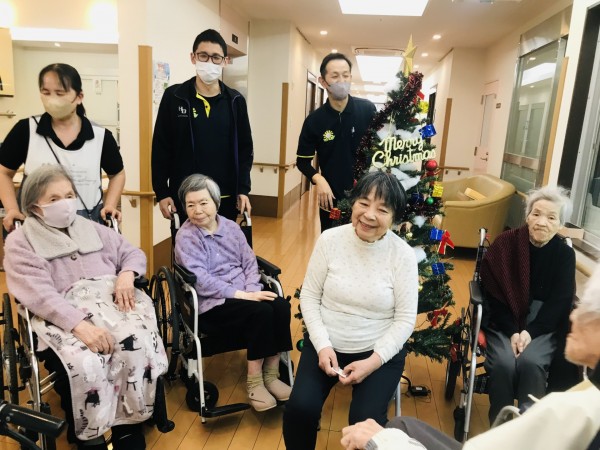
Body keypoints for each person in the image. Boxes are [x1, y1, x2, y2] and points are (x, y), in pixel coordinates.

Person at [339, 262, 600, 450]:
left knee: (391, 431)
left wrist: (384, 442)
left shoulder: (577, 412)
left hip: (533, 339)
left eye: (586, 308)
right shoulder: (585, 398)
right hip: (505, 331)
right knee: (401, 425)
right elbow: (495, 301)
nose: (573, 315)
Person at [3, 165, 167, 450]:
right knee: (86, 361)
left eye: (69, 195)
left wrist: (127, 275)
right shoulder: (22, 241)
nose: (65, 203)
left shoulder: (92, 228)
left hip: (110, 301)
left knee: (138, 342)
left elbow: (132, 253)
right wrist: (79, 325)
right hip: (62, 312)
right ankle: (90, 434)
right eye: (54, 199)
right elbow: (38, 294)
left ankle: (128, 424)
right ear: (34, 206)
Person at [282, 170, 418, 450]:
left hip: (377, 353)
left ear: (395, 218)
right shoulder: (330, 240)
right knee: (300, 409)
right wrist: (322, 345)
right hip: (326, 344)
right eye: (363, 203)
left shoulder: (402, 255)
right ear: (353, 204)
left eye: (382, 210)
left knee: (364, 422)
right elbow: (310, 296)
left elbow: (405, 320)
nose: (369, 215)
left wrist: (373, 362)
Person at [173, 173, 292, 411]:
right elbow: (201, 281)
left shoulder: (231, 228)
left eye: (203, 202)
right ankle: (255, 383)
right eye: (190, 205)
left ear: (216, 202)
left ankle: (271, 375)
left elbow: (249, 262)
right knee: (261, 312)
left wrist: (252, 290)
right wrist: (243, 296)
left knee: (280, 305)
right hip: (212, 303)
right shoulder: (186, 237)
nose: (197, 210)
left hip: (246, 294)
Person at [479, 185, 577, 423]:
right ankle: (500, 427)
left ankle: (530, 427)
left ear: (560, 224)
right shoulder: (505, 245)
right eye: (536, 214)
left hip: (543, 323)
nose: (542, 222)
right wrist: (513, 331)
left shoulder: (564, 255)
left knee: (532, 362)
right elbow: (493, 295)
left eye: (551, 217)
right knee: (503, 363)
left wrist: (530, 332)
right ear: (527, 216)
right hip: (503, 320)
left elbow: (560, 302)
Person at [0, 63, 125, 231]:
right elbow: (3, 172)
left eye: (60, 93)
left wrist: (110, 204)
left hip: (88, 221)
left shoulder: (100, 136)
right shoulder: (25, 130)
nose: (52, 99)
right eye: (46, 93)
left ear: (79, 97)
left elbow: (117, 174)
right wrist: (12, 209)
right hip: (36, 223)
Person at [152, 29, 253, 222]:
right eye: (203, 56)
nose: (209, 62)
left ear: (225, 61)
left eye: (216, 57)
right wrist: (162, 191)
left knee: (224, 241)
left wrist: (243, 189)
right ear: (193, 57)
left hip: (224, 197)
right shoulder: (175, 97)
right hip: (186, 198)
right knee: (186, 242)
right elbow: (161, 148)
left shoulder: (235, 101)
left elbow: (245, 149)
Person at [296, 52, 377, 232]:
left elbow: (383, 149)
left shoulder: (367, 110)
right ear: (323, 81)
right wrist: (319, 180)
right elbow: (302, 161)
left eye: (346, 75)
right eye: (335, 76)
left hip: (367, 197)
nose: (342, 81)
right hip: (331, 198)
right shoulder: (314, 121)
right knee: (331, 242)